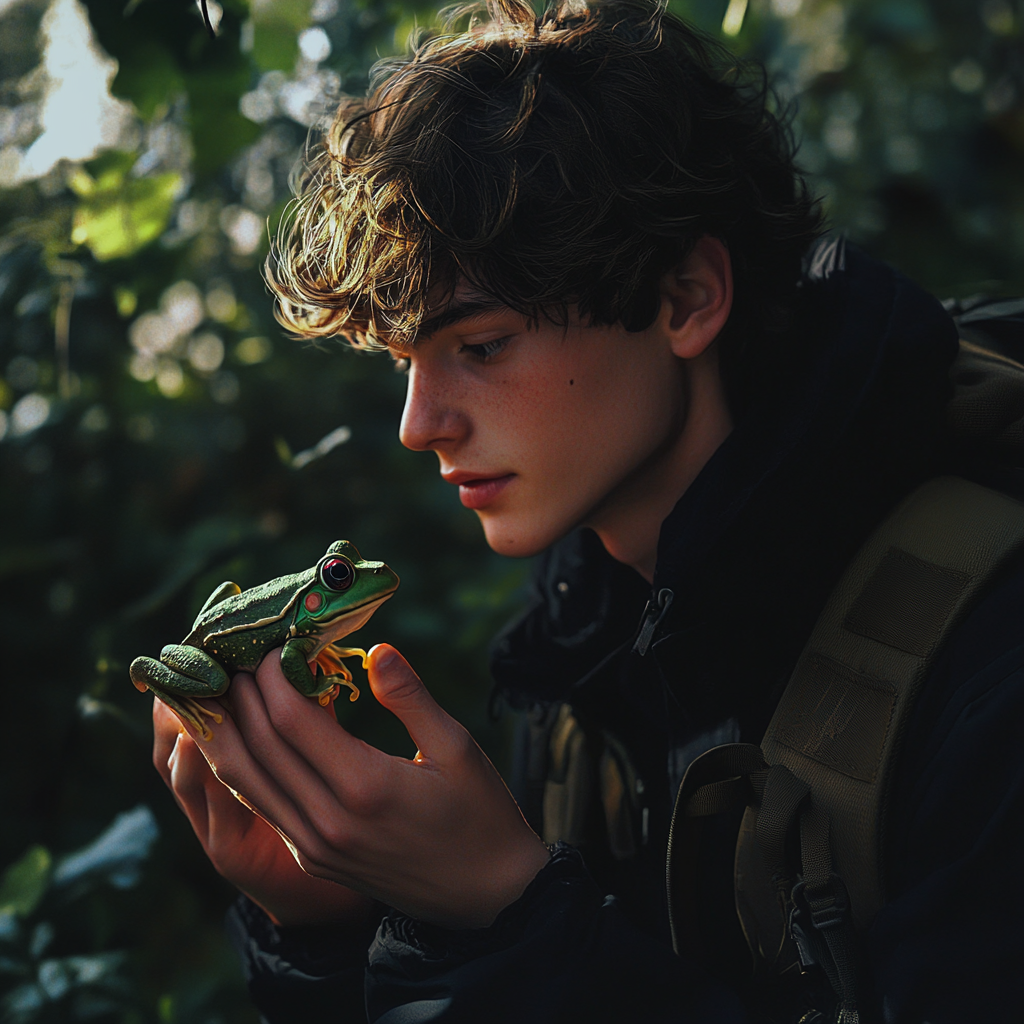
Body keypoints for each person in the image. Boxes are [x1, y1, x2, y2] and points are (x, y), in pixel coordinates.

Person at [151, 1, 1024, 1021]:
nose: (417, 425)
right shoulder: (580, 646)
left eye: (477, 347)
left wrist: (512, 912)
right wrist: (342, 921)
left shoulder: (988, 652)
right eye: (404, 363)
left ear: (688, 297)